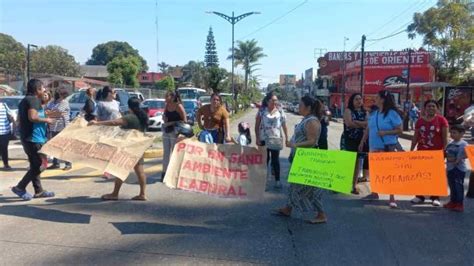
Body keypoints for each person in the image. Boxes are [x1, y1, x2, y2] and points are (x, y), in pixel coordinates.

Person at [272, 96, 327, 224]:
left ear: (308, 107)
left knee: (312, 188)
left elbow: (312, 141)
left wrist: (295, 145)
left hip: (308, 160)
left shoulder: (312, 121)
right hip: (300, 158)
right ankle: (288, 208)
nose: (298, 107)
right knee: (294, 185)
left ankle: (321, 214)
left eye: (301, 105)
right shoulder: (306, 120)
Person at [88, 98, 149, 201]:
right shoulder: (142, 116)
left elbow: (114, 122)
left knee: (119, 170)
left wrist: (97, 123)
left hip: (128, 147)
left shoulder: (130, 117)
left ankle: (115, 194)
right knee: (140, 172)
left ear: (129, 106)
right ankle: (142, 194)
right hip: (138, 147)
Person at [11, 79, 60, 200]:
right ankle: (20, 187)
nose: (44, 90)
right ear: (37, 89)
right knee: (40, 164)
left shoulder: (27, 100)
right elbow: (32, 117)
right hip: (33, 138)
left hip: (30, 137)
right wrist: (47, 120)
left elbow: (34, 115)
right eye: (43, 88)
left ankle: (38, 191)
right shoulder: (33, 100)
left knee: (35, 164)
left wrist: (47, 113)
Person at [359, 90, 402, 208]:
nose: (374, 98)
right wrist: (363, 141)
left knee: (389, 172)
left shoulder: (392, 113)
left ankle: (392, 197)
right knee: (375, 171)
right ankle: (374, 192)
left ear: (382, 99)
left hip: (386, 146)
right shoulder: (375, 113)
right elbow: (368, 128)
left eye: (377, 97)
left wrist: (386, 132)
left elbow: (399, 130)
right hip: (374, 146)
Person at [410, 100, 449, 206]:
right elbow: (415, 137)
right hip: (421, 153)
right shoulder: (419, 121)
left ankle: (435, 197)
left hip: (436, 154)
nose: (431, 108)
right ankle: (419, 195)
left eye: (433, 106)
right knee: (420, 175)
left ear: (437, 108)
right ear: (425, 108)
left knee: (436, 176)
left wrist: (445, 151)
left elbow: (445, 138)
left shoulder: (442, 120)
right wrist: (411, 150)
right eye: (428, 106)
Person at [255, 92, 289, 189]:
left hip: (275, 139)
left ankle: (277, 181)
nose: (275, 102)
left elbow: (284, 126)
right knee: (264, 161)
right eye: (273, 100)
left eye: (276, 100)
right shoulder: (261, 111)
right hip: (263, 139)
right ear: (267, 101)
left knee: (275, 161)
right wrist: (257, 137)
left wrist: (286, 138)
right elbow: (257, 126)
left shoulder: (280, 111)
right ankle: (263, 182)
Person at [343, 93, 368, 194]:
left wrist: (356, 122)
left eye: (360, 99)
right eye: (356, 99)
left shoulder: (365, 112)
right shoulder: (348, 111)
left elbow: (367, 124)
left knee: (358, 163)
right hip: (349, 139)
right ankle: (342, 183)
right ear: (352, 101)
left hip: (361, 139)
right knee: (348, 162)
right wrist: (361, 124)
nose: (359, 101)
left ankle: (353, 186)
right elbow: (349, 123)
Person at [162, 90, 187, 180]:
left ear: (172, 97)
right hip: (167, 131)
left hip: (175, 132)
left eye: (166, 96)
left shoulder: (178, 106)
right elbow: (165, 116)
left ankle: (175, 173)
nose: (165, 98)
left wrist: (172, 123)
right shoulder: (167, 105)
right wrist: (164, 118)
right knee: (166, 153)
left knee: (174, 153)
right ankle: (164, 173)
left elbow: (185, 121)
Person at [46, 87, 72, 170]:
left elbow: (58, 113)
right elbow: (46, 112)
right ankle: (55, 163)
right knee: (54, 146)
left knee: (63, 146)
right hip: (53, 126)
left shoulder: (64, 102)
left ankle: (68, 163)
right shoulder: (52, 102)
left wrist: (51, 113)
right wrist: (52, 113)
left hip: (62, 127)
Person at [444, 124, 468, 212]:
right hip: (450, 168)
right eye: (451, 132)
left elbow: (467, 155)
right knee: (452, 186)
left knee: (458, 186)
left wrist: (459, 159)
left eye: (455, 133)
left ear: (462, 133)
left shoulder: (464, 144)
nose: (452, 134)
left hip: (459, 169)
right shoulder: (450, 143)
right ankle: (452, 201)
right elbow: (445, 153)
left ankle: (459, 203)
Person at [0, 100, 15, 171]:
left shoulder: (4, 105)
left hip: (5, 131)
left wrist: (13, 121)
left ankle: (6, 164)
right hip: (4, 131)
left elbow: (11, 115)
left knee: (4, 149)